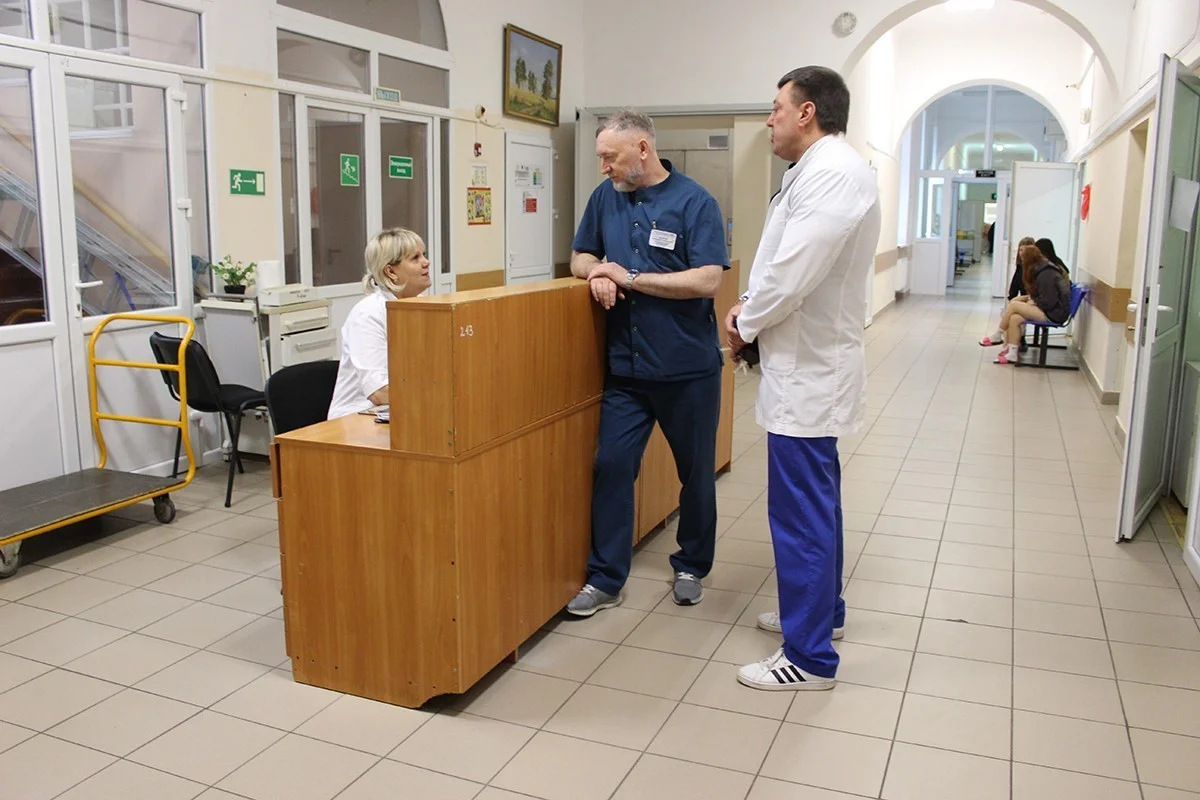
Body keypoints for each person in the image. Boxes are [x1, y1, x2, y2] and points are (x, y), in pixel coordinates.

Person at [724, 66, 881, 691]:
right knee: (818, 506)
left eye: (776, 108)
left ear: (807, 111)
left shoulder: (834, 173)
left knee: (802, 515)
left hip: (811, 374)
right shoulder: (816, 170)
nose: (770, 120)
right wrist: (750, 307)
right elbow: (782, 266)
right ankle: (820, 614)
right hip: (806, 368)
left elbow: (793, 273)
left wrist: (745, 322)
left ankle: (809, 657)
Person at [565, 109, 729, 616]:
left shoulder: (695, 202)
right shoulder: (604, 199)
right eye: (600, 158)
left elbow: (708, 279)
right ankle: (606, 577)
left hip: (687, 369)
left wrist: (631, 278)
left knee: (695, 475)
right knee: (612, 466)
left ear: (642, 149)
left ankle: (691, 565)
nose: (603, 168)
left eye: (610, 157)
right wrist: (597, 272)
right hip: (627, 370)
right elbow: (578, 256)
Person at [327, 228, 431, 419]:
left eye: (423, 255)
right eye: (415, 258)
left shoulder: (423, 305)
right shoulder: (367, 315)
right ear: (390, 271)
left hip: (403, 410)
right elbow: (379, 392)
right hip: (356, 418)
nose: (426, 262)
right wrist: (436, 397)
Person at [980, 243, 1072, 365]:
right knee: (1015, 318)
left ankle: (998, 334)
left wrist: (1034, 302)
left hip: (1054, 313)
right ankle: (1012, 353)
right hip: (1052, 310)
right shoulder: (1043, 270)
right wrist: (1031, 299)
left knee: (1014, 306)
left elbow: (1049, 301)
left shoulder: (1046, 274)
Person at [1006, 236, 1036, 300]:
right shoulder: (1020, 268)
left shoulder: (1036, 268)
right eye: (1021, 250)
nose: (1022, 253)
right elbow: (1013, 290)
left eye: (1026, 250)